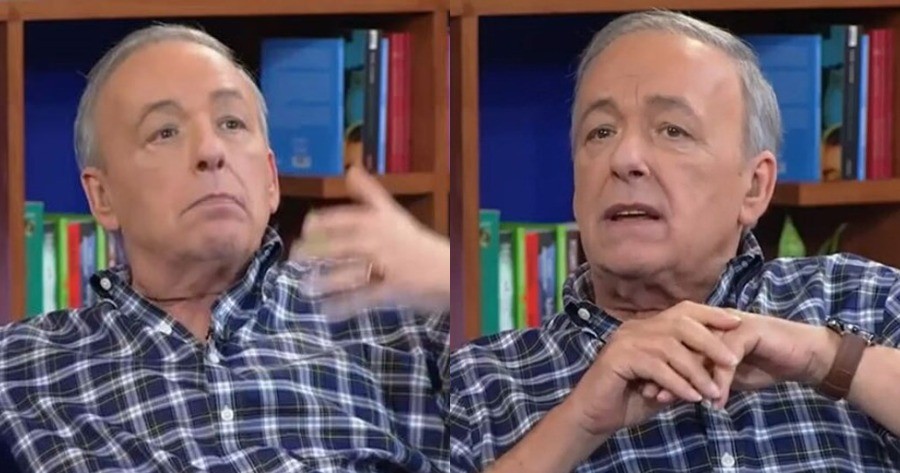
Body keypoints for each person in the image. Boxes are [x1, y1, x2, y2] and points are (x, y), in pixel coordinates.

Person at [447, 10, 900, 473]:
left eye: (673, 130)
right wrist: (576, 425)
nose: (624, 159)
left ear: (754, 187)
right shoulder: (477, 384)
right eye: (600, 132)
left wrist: (829, 360)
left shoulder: (862, 301)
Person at [0, 24, 450, 473]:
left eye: (231, 123)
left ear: (270, 180)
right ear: (103, 197)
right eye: (165, 132)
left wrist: (449, 278)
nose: (211, 150)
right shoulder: (24, 369)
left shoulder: (395, 317)